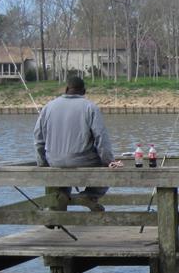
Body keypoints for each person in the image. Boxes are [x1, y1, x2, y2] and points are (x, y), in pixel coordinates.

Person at [34, 76, 121, 213]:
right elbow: (101, 139)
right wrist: (109, 161)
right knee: (109, 170)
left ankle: (60, 197)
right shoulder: (90, 107)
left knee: (62, 172)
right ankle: (89, 195)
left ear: (66, 89)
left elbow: (38, 140)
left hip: (54, 161)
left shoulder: (48, 107)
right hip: (84, 160)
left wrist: (43, 164)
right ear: (84, 91)